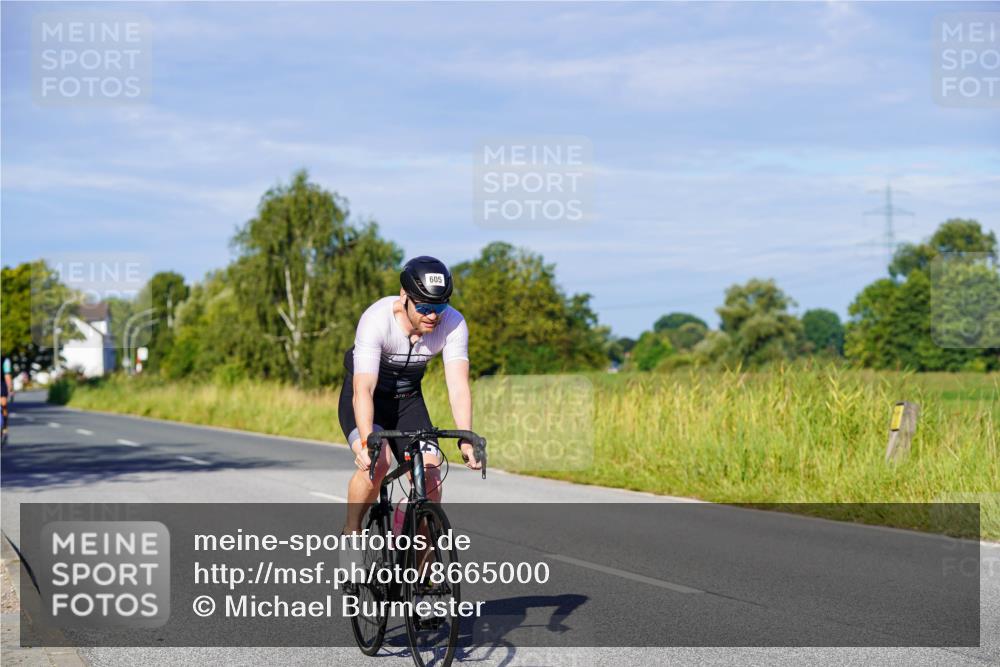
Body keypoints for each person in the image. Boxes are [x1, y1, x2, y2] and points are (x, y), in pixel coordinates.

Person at [340, 256, 481, 535]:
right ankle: (352, 530)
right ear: (404, 296)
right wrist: (368, 442)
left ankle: (420, 573)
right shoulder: (376, 320)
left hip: (407, 402)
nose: (433, 316)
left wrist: (466, 437)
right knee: (377, 465)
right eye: (425, 307)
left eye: (440, 306)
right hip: (369, 401)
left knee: (430, 480)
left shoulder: (453, 324)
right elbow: (363, 389)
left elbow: (458, 386)